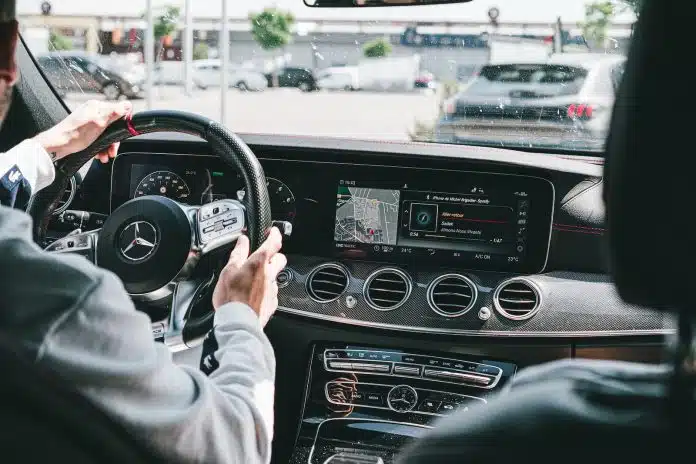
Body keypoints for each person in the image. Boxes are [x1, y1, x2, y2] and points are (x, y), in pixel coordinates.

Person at [0, 7, 284, 464]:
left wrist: (48, 147)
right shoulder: (54, 302)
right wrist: (240, 319)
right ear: (10, 53)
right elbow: (237, 449)